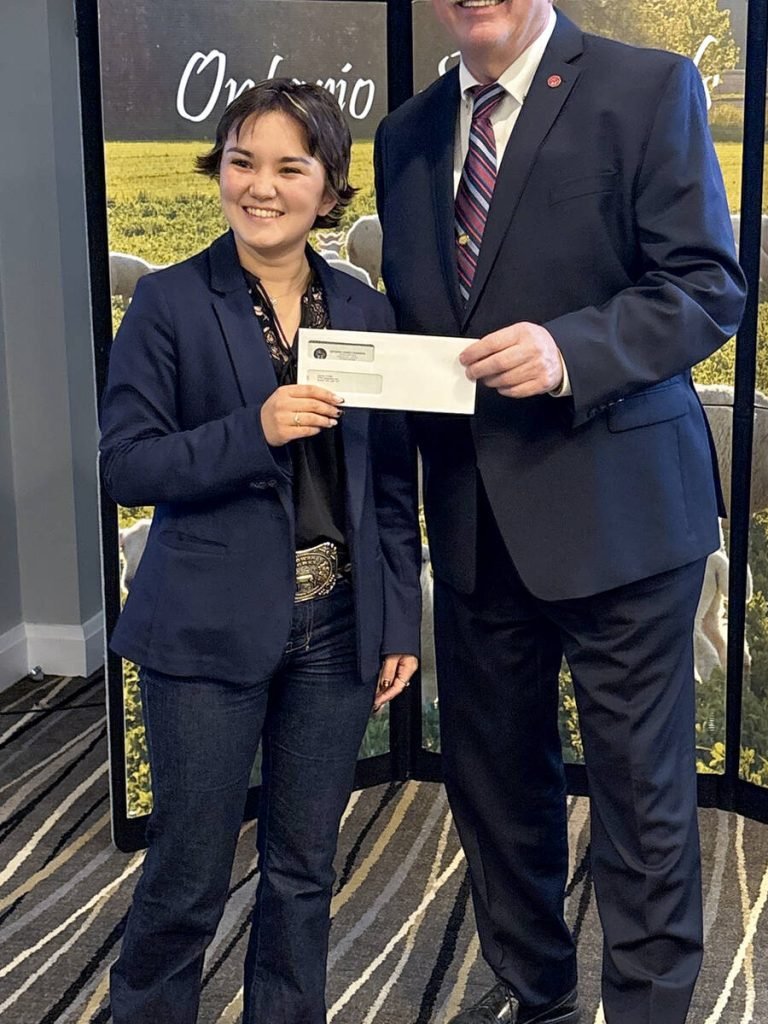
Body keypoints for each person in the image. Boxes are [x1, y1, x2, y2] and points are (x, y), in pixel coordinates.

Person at [374, 2, 746, 1021]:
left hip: (622, 525)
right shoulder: (404, 135)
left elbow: (705, 287)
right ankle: (536, 1000)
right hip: (472, 530)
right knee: (497, 802)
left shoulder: (646, 87)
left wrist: (568, 351)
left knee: (640, 807)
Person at [100, 80, 421, 1024]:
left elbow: (389, 491)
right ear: (220, 173)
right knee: (188, 874)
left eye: (291, 166)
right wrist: (257, 428)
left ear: (329, 189)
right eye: (242, 162)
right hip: (203, 635)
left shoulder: (367, 313)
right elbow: (125, 464)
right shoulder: (167, 303)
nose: (261, 186)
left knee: (303, 870)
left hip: (334, 629)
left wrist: (398, 617)